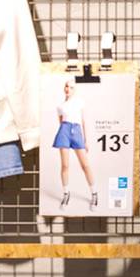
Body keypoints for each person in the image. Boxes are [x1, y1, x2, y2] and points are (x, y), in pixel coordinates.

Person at [52, 79, 97, 210]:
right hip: (64, 131)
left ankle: (94, 194)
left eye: (71, 87)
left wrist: (86, 140)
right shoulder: (60, 106)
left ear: (74, 90)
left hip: (77, 131)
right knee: (65, 165)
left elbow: (83, 121)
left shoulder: (79, 102)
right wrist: (64, 133)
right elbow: (61, 122)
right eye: (66, 86)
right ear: (64, 88)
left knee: (85, 165)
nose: (68, 89)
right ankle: (66, 194)